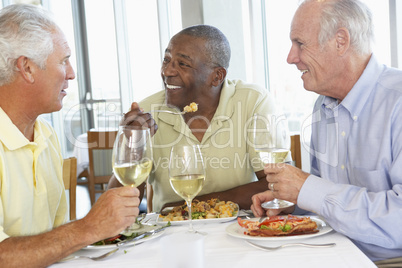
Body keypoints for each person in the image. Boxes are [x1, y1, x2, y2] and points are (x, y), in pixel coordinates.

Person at [250, 0, 402, 262]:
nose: (290, 57)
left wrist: (307, 189)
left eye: (300, 43)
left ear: (340, 41)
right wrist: (292, 201)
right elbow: (328, 196)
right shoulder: (323, 106)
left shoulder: (397, 102)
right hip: (331, 254)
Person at [0, 4, 140, 267]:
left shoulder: (46, 135)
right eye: (64, 60)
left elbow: (54, 242)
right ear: (27, 68)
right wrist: (87, 227)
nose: (72, 73)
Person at [109, 25, 282, 212]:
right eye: (166, 60)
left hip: (241, 230)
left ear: (217, 76)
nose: (167, 71)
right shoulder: (147, 111)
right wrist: (131, 145)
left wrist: (185, 208)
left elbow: (276, 186)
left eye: (182, 64)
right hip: (170, 236)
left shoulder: (253, 101)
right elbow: (116, 209)